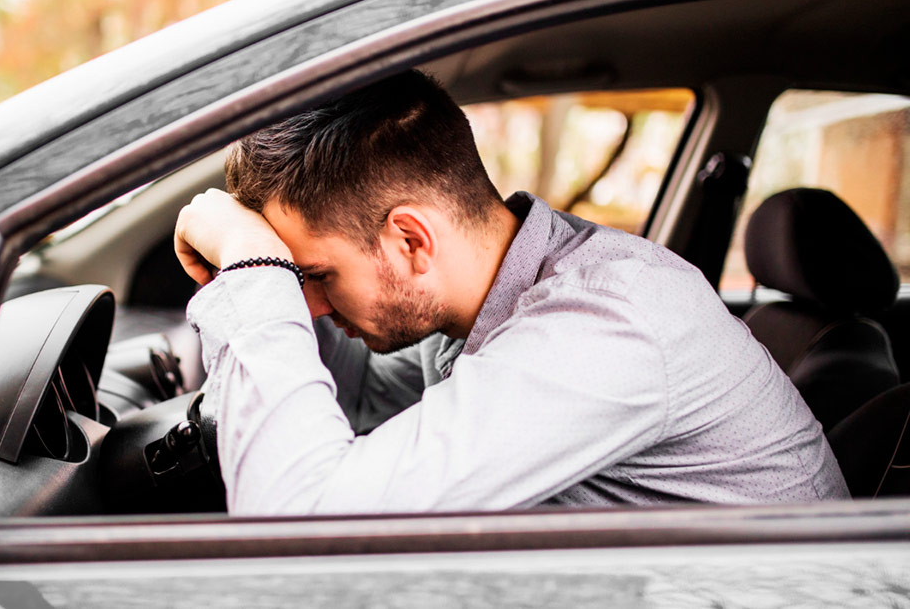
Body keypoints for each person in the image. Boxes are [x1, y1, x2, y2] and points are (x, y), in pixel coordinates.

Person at [173, 69, 848, 516]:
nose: (309, 305)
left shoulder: (607, 322)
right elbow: (357, 398)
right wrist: (268, 270)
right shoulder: (491, 298)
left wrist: (252, 276)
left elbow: (296, 531)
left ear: (411, 242)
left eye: (316, 277)